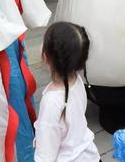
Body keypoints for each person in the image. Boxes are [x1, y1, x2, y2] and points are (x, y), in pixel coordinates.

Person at [34, 22, 100, 162]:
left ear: (46, 56)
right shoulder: (77, 80)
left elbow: (45, 157)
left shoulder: (51, 103)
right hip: (90, 155)